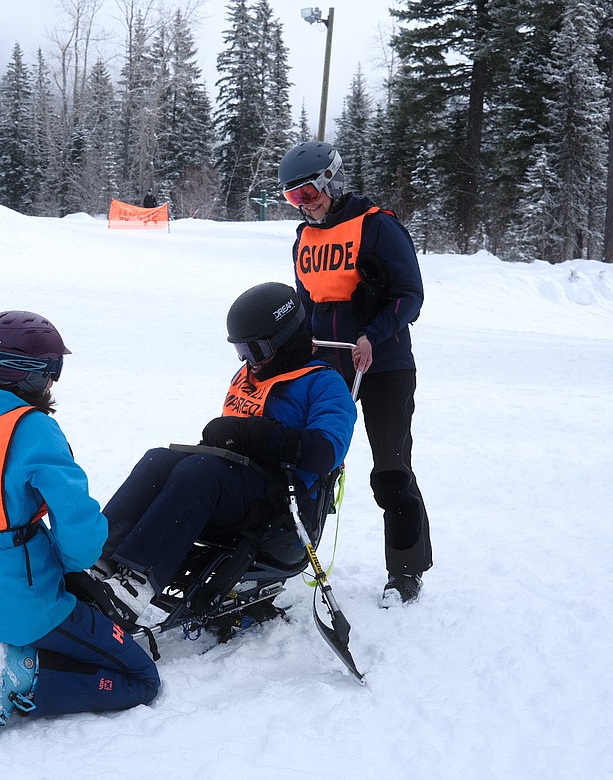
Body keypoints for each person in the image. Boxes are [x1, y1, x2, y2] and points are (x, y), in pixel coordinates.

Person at [0, 310, 160, 738]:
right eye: (52, 370)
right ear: (30, 374)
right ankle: (19, 676)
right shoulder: (32, 430)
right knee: (142, 679)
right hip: (21, 604)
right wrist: (70, 569)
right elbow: (80, 534)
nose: (53, 382)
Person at [93, 282, 357, 627]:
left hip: (280, 505)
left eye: (256, 351)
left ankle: (137, 585)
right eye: (241, 351)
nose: (249, 361)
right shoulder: (249, 376)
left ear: (287, 339)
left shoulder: (325, 384)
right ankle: (99, 562)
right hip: (234, 482)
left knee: (199, 474)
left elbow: (324, 453)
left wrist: (248, 434)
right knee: (157, 460)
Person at [278, 140, 433, 607]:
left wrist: (373, 333)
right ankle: (291, 557)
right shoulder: (304, 239)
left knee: (390, 467)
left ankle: (406, 571)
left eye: (307, 193)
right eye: (292, 198)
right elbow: (306, 299)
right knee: (314, 458)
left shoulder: (378, 227)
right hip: (328, 363)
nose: (303, 206)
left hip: (384, 363)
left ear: (331, 180)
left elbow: (411, 296)